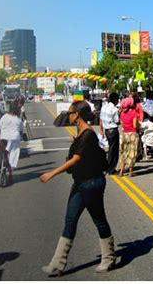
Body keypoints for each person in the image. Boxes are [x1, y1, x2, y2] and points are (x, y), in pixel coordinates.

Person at [39, 101, 115, 276]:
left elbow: (75, 159)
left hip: (92, 183)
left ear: (78, 115)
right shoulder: (82, 133)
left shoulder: (88, 134)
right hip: (80, 182)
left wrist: (52, 173)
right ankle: (57, 263)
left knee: (99, 220)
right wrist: (76, 139)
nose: (69, 115)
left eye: (71, 113)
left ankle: (109, 258)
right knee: (70, 220)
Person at [0, 102, 24, 170]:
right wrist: (21, 135)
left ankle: (4, 164)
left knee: (5, 150)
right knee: (14, 151)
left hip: (4, 136)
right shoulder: (18, 119)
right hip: (14, 137)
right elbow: (21, 129)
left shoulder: (4, 117)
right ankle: (11, 165)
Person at [99, 92, 120, 175]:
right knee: (114, 150)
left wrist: (101, 129)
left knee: (111, 149)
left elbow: (101, 119)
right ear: (115, 100)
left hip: (107, 130)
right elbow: (117, 121)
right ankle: (111, 168)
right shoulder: (114, 109)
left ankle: (108, 167)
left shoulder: (104, 107)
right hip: (113, 130)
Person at [118, 97, 139, 177]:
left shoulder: (122, 113)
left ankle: (121, 171)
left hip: (125, 134)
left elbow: (122, 124)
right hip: (133, 134)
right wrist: (138, 125)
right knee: (132, 153)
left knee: (124, 152)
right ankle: (130, 172)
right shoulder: (134, 113)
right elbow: (134, 125)